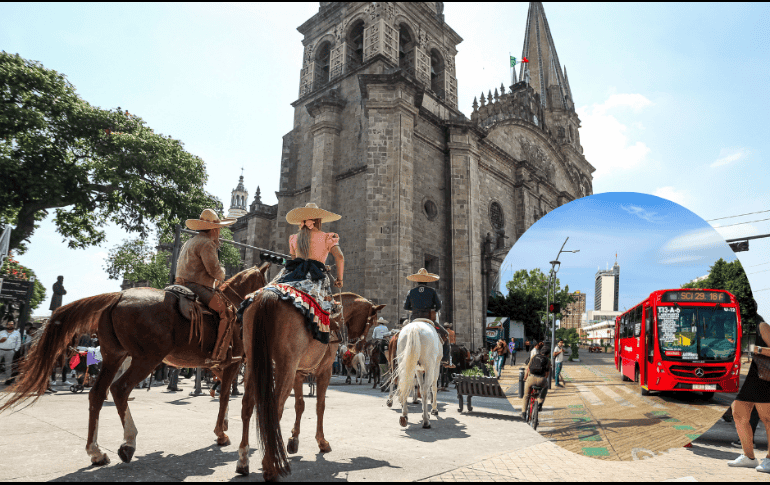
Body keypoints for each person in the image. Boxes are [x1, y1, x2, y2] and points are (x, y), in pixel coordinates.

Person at [175, 209, 239, 371]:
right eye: (218, 229)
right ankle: (217, 355)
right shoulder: (207, 243)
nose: (219, 233)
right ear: (214, 229)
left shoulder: (189, 242)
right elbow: (214, 271)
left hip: (179, 285)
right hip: (196, 286)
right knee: (228, 312)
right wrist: (222, 272)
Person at [728, 315, 770, 473]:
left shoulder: (762, 326)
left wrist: (755, 349)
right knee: (738, 415)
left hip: (763, 378)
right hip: (745, 377)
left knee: (767, 419)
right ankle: (749, 457)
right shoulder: (738, 326)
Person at [403, 268, 451, 367]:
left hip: (414, 319)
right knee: (445, 334)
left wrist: (415, 307)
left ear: (417, 280)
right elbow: (439, 306)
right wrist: (433, 308)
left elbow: (406, 307)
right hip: (429, 319)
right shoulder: (432, 291)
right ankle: (445, 360)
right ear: (427, 281)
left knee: (400, 335)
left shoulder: (411, 292)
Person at [521, 345, 551, 420]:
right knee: (545, 386)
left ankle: (523, 413)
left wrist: (525, 378)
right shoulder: (548, 360)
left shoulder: (534, 356)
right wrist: (542, 380)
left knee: (526, 396)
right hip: (541, 380)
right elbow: (547, 374)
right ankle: (540, 403)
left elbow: (528, 368)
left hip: (531, 378)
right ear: (548, 354)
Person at [0, 320, 21, 384]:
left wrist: (15, 350)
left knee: (8, 366)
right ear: (6, 325)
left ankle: (8, 380)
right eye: (9, 324)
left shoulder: (17, 333)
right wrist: (0, 341)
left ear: (14, 325)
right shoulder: (1, 332)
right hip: (0, 350)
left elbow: (18, 342)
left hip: (10, 351)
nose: (10, 325)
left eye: (12, 324)